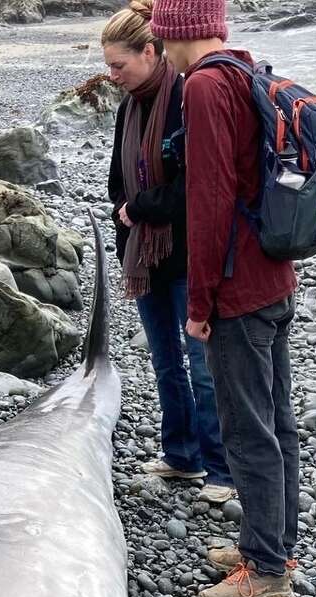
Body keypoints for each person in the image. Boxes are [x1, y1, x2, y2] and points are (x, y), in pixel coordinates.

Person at [151, 0, 300, 597]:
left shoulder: (206, 88)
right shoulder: (245, 71)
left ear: (170, 31)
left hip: (239, 291)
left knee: (247, 432)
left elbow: (208, 205)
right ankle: (271, 545)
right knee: (277, 423)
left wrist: (201, 302)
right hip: (274, 277)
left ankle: (266, 570)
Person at [103, 0, 234, 505]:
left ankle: (221, 469)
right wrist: (128, 213)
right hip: (144, 256)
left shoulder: (187, 97)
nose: (112, 75)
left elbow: (197, 186)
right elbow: (118, 181)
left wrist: (140, 209)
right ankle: (181, 455)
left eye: (120, 64)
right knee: (164, 362)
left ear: (152, 51)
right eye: (108, 66)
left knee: (203, 366)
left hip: (185, 256)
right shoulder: (129, 106)